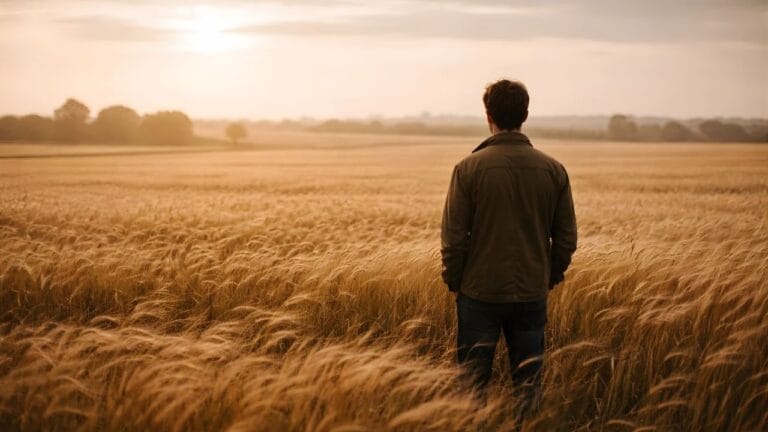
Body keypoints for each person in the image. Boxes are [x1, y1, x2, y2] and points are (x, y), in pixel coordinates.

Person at [440, 79, 577, 412]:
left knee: (471, 388)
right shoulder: (554, 170)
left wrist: (456, 281)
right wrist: (548, 275)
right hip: (531, 293)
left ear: (488, 115)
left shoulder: (468, 169)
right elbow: (567, 239)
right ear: (525, 115)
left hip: (479, 294)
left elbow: (454, 240)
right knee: (528, 387)